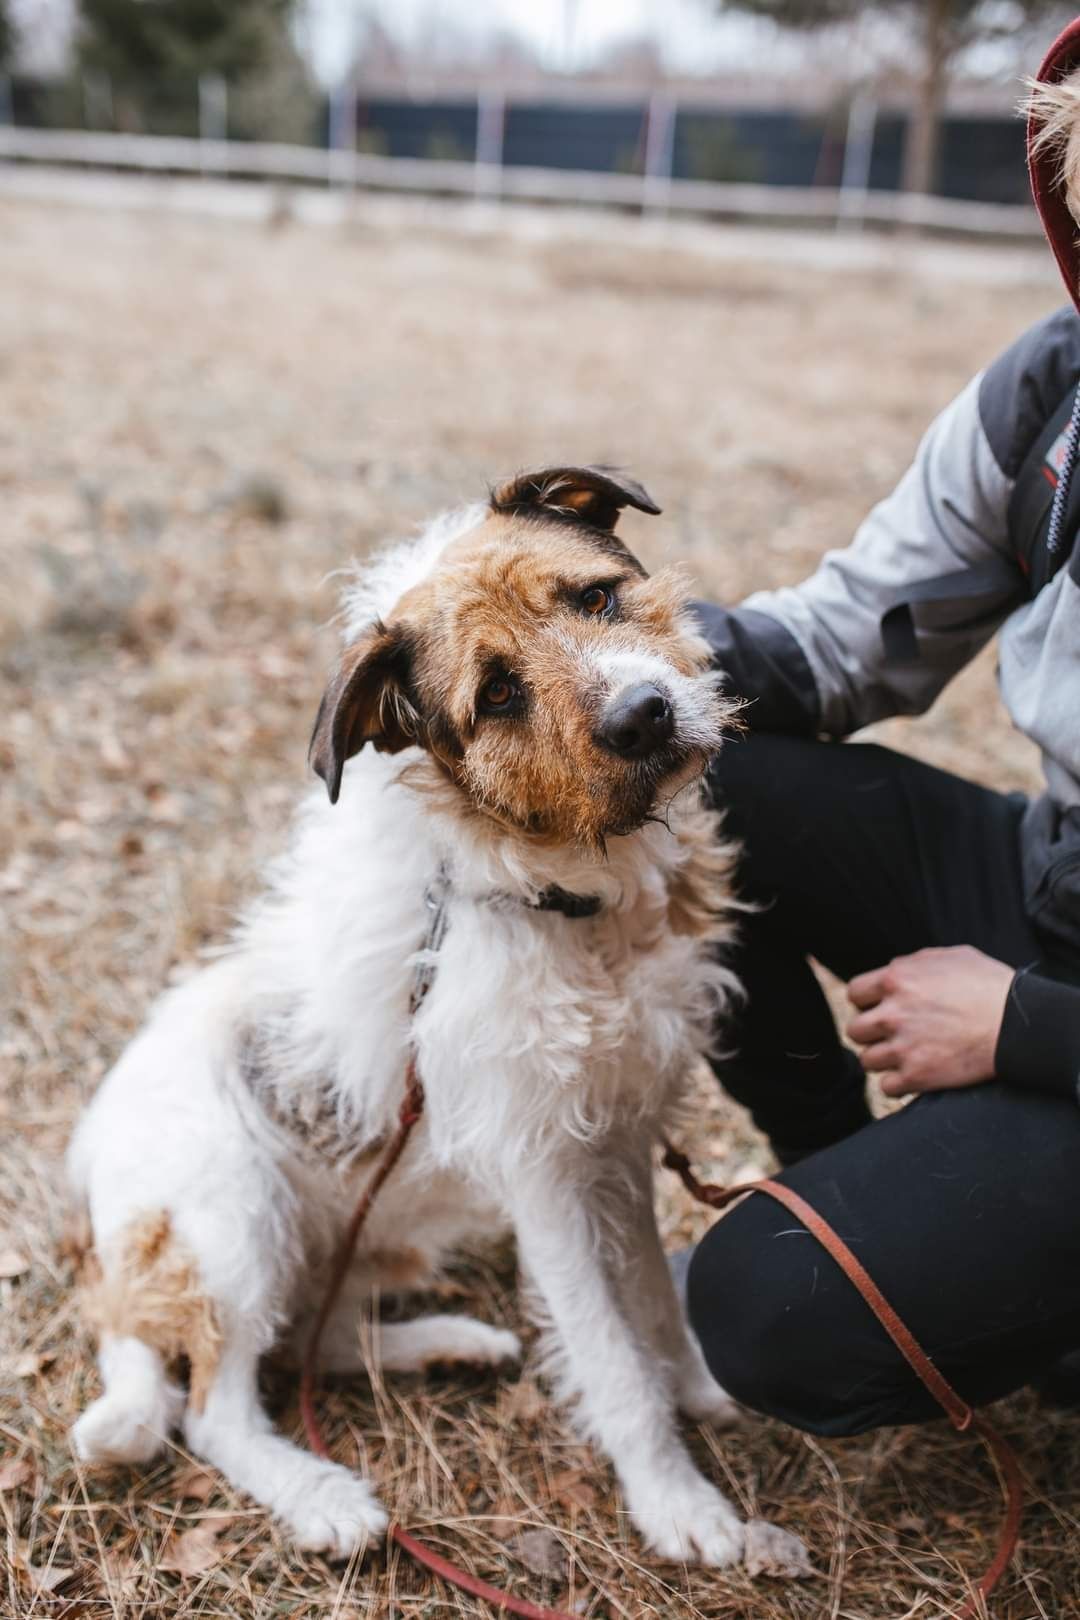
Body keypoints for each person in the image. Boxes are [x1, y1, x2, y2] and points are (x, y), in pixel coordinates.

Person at [684, 19, 1080, 1435]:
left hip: (1052, 1009)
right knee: (686, 781)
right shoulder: (1058, 396)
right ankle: (856, 1180)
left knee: (757, 1313)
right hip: (1059, 890)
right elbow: (848, 633)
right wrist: (630, 671)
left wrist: (1022, 1031)